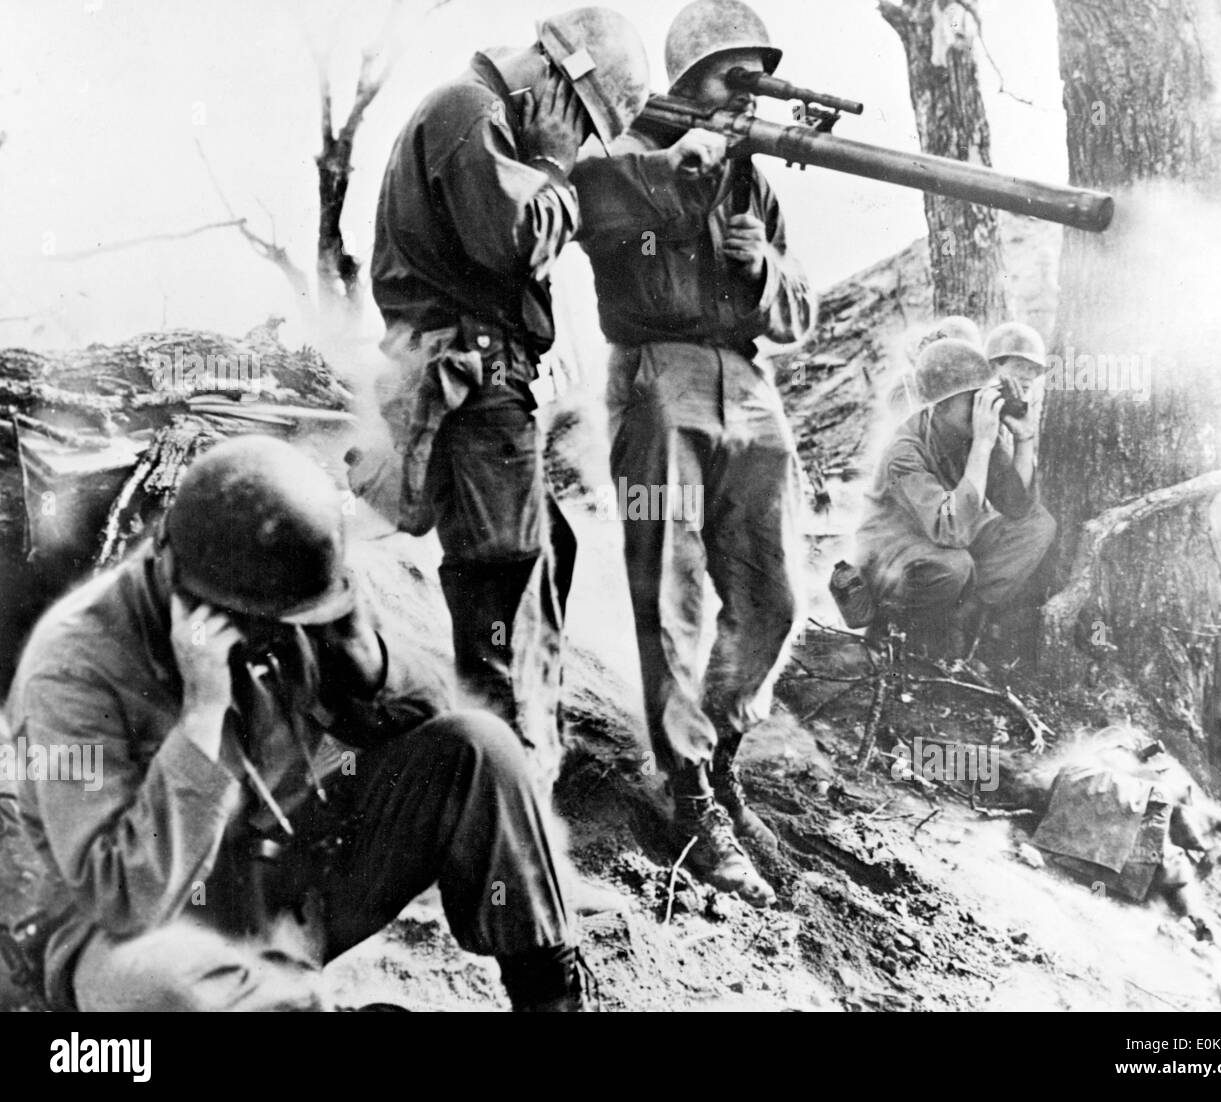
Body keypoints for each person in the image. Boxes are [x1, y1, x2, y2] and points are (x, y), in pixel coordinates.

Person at [6, 436, 590, 1012]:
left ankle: (552, 998)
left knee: (477, 748)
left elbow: (433, 727)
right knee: (171, 991)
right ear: (201, 597)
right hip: (143, 930)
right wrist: (202, 716)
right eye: (275, 623)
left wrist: (369, 660)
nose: (288, 635)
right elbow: (121, 896)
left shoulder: (280, 596)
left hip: (279, 879)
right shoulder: (73, 668)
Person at [352, 8, 651, 787]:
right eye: (582, 124)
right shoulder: (471, 110)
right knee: (505, 572)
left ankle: (518, 745)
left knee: (540, 552)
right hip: (474, 380)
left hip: (483, 379)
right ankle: (501, 769)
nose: (580, 143)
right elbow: (510, 241)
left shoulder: (482, 119)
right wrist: (554, 166)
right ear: (558, 81)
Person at [570, 0, 816, 907]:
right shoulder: (624, 156)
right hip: (657, 377)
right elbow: (609, 219)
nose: (745, 93)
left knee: (775, 594)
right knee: (669, 592)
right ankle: (687, 794)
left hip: (747, 387)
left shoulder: (756, 185)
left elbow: (799, 315)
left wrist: (764, 271)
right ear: (685, 84)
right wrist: (688, 165)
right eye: (731, 75)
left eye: (756, 75)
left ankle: (718, 757)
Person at [844, 338, 1056, 656]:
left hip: (940, 547)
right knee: (954, 565)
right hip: (891, 559)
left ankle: (962, 617)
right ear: (939, 405)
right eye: (970, 400)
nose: (980, 409)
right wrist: (983, 445)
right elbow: (951, 528)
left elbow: (1017, 507)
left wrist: (1024, 438)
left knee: (1038, 526)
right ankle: (902, 632)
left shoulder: (968, 434)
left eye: (981, 397)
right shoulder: (905, 452)